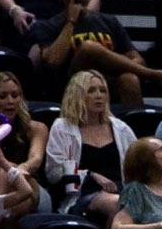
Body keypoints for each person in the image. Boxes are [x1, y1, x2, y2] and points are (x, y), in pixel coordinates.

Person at [26, 0, 162, 106]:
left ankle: (137, 131)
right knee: (88, 48)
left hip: (106, 83)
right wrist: (71, 22)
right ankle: (157, 76)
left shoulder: (108, 21)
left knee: (130, 79)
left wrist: (115, 62)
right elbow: (52, 62)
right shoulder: (47, 26)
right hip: (70, 87)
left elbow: (138, 60)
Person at [41, 68, 130, 219]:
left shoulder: (120, 128)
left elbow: (136, 164)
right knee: (116, 203)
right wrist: (90, 175)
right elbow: (54, 172)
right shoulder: (63, 127)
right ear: (77, 95)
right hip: (82, 197)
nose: (99, 96)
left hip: (121, 193)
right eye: (91, 91)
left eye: (103, 91)